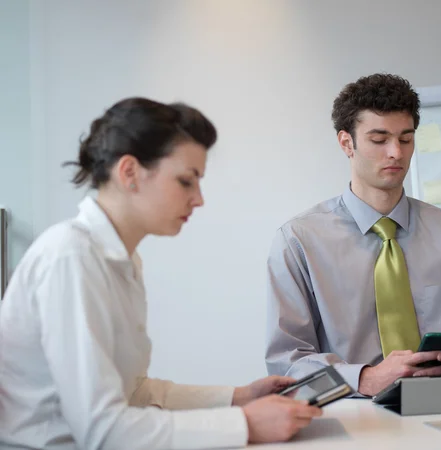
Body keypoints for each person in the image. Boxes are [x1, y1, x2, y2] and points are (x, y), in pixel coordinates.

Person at [0, 97, 321, 450]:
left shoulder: (121, 259)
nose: (199, 199)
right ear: (129, 173)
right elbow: (103, 429)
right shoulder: (71, 256)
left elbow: (134, 392)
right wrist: (243, 424)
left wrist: (238, 397)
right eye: (186, 181)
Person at [265, 73, 441, 397]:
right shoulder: (299, 241)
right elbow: (287, 362)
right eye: (379, 139)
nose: (396, 152)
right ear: (347, 143)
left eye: (406, 138)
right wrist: (363, 378)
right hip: (350, 421)